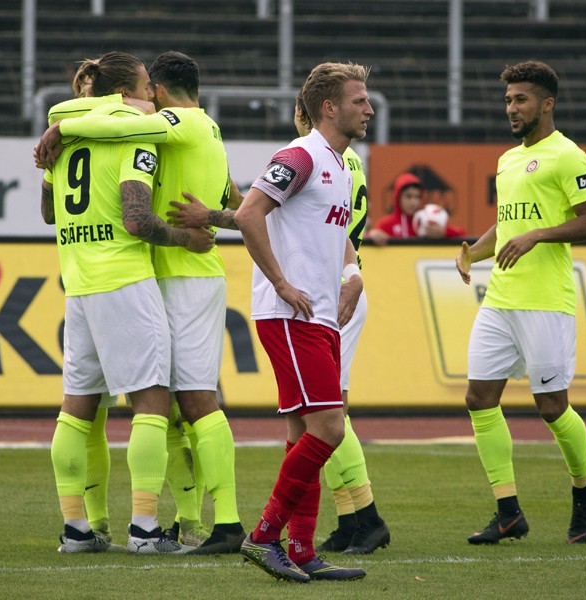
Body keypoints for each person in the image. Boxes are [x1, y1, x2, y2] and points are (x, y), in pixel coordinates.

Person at [38, 51, 247, 555]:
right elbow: (138, 217)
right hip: (137, 274)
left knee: (97, 407)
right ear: (133, 90)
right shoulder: (138, 129)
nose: (146, 97)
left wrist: (62, 128)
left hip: (96, 280)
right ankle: (148, 528)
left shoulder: (165, 124)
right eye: (139, 89)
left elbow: (47, 209)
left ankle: (88, 526)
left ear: (159, 88)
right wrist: (206, 225)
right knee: (160, 403)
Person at [233, 62, 373, 583]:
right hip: (292, 315)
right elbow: (249, 213)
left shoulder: (338, 162)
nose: (369, 108)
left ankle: (302, 550)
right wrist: (281, 283)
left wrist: (353, 275)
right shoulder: (300, 155)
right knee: (330, 428)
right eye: (359, 100)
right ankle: (264, 537)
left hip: (319, 315)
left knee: (302, 435)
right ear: (330, 108)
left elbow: (340, 234)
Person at [455, 60, 586, 546]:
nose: (512, 108)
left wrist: (541, 234)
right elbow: (508, 224)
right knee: (479, 399)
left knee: (551, 407)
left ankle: (584, 491)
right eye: (507, 100)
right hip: (500, 298)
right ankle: (508, 511)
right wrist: (475, 251)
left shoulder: (568, 156)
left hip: (545, 302)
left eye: (520, 99)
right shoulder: (506, 160)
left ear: (547, 103)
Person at [291, 94, 390, 555]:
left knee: (327, 416)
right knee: (323, 413)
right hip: (336, 290)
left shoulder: (322, 159)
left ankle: (366, 516)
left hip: (334, 295)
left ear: (305, 114)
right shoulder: (344, 161)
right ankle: (350, 518)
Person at [366, 172, 465, 246]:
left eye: (417, 197)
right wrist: (372, 235)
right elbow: (363, 242)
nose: (413, 202)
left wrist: (444, 233)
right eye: (408, 196)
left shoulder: (428, 218)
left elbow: (463, 236)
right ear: (398, 198)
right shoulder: (387, 223)